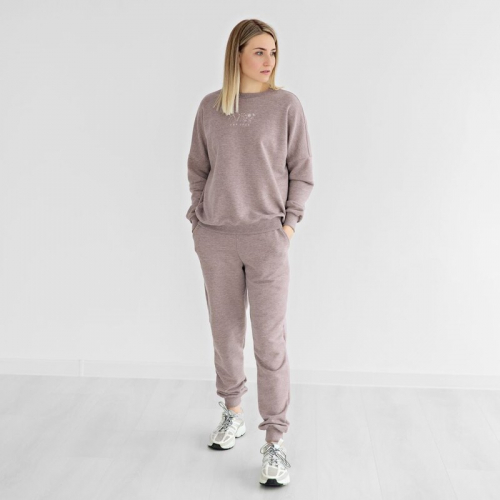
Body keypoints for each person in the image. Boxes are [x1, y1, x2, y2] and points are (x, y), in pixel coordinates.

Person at [185, 18, 314, 487]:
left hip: (267, 239)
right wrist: (198, 218)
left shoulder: (286, 105)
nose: (269, 61)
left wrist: (288, 226)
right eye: (259, 51)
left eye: (273, 52)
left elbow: (301, 171)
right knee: (226, 335)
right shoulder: (210, 107)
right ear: (236, 54)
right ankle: (232, 413)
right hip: (216, 238)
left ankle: (275, 441)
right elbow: (198, 169)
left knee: (270, 342)